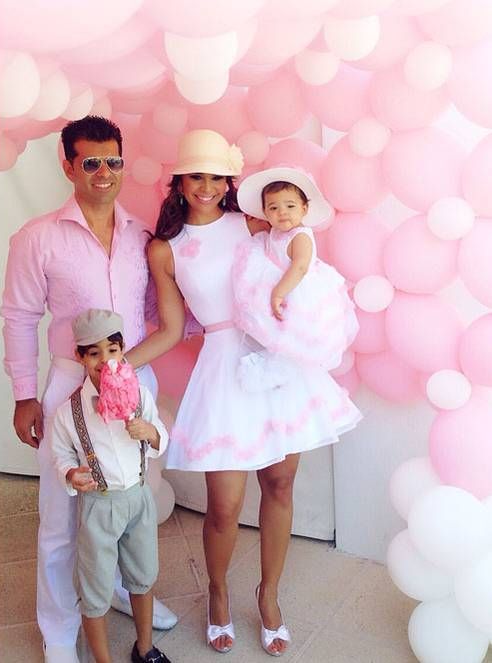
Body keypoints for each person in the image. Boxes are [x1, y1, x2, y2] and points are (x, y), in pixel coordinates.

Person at [126, 129, 362, 657]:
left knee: (279, 483)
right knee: (224, 505)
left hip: (273, 360)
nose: (206, 186)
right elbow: (170, 329)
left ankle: (268, 595)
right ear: (179, 182)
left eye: (216, 177)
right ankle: (217, 593)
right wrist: (118, 365)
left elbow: (300, 256)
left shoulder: (252, 223)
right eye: (196, 176)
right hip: (222, 369)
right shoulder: (165, 249)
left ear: (228, 182)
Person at [1, 115, 177, 663]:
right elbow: (18, 316)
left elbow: (153, 314)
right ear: (69, 165)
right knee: (62, 514)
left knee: (131, 499)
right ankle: (58, 628)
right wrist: (25, 394)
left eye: (113, 161)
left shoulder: (141, 236)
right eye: (91, 162)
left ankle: (121, 588)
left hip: (134, 381)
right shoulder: (37, 238)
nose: (104, 172)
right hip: (68, 385)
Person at [50, 309, 172, 663]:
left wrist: (150, 433)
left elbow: (161, 436)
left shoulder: (140, 394)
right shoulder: (70, 412)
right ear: (80, 357)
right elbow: (60, 455)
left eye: (112, 350)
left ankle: (145, 647)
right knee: (95, 587)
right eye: (94, 353)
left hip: (138, 497)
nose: (105, 361)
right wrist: (71, 474)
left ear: (122, 350)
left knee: (143, 576)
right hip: (99, 506)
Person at [232, 166, 359, 389]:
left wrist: (279, 292)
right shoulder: (274, 233)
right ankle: (278, 369)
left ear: (304, 208)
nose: (282, 212)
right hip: (281, 289)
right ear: (265, 213)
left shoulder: (301, 236)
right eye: (273, 208)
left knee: (293, 339)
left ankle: (284, 373)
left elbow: (300, 266)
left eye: (290, 206)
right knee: (275, 337)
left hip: (298, 293)